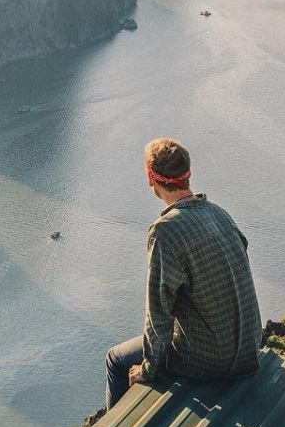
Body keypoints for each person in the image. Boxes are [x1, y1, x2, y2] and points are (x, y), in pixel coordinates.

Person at [104, 138, 262, 410]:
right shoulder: (219, 213)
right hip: (249, 349)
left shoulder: (165, 230)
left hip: (210, 360)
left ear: (150, 179)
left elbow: (158, 313)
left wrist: (148, 369)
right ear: (186, 174)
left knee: (116, 359)